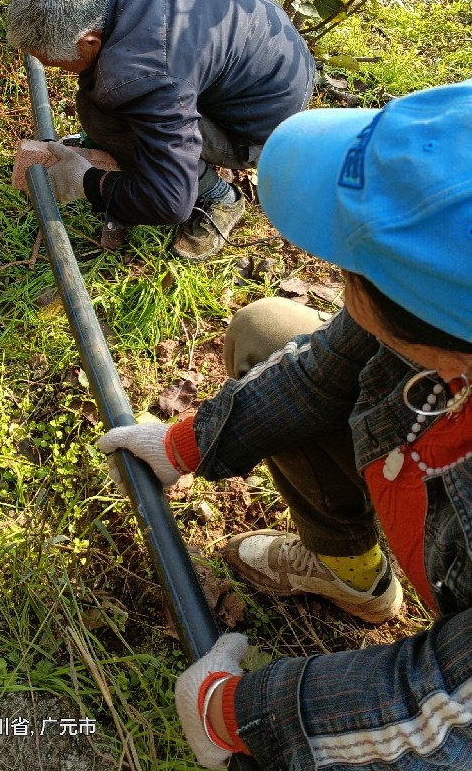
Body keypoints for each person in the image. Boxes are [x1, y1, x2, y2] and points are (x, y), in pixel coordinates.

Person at [98, 79, 472, 768]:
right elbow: (323, 368)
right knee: (269, 331)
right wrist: (187, 443)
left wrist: (247, 714)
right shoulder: (446, 309)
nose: (337, 271)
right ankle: (354, 575)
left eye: (357, 270)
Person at [7, 0, 315, 260]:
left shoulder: (150, 70)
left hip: (264, 125)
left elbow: (170, 201)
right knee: (101, 101)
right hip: (279, 57)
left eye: (56, 64)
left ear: (90, 41)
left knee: (108, 112)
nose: (54, 69)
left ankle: (218, 195)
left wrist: (88, 182)